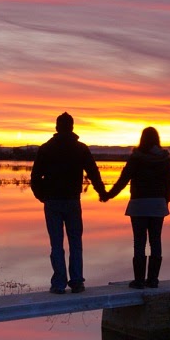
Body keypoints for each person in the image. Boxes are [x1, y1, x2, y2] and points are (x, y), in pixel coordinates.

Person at [31, 112, 108, 294]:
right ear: (72, 127)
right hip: (72, 201)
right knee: (75, 243)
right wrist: (102, 192)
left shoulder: (46, 148)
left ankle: (59, 284)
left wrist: (43, 195)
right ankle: (76, 282)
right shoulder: (80, 148)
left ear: (57, 127)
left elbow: (35, 178)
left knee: (56, 244)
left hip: (54, 202)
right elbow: (94, 173)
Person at [102, 127, 170, 288]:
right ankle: (153, 280)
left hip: (139, 204)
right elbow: (169, 182)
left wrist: (108, 195)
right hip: (157, 204)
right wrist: (165, 201)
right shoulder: (164, 158)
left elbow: (123, 179)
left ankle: (139, 281)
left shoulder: (136, 158)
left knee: (139, 242)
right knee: (156, 241)